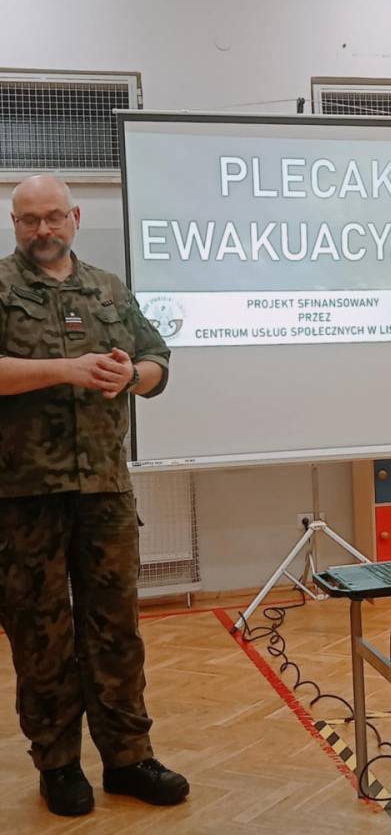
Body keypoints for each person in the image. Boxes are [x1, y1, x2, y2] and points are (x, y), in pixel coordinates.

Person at [0, 175, 189, 817]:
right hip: (23, 496)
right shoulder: (2, 286)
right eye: (30, 220)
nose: (43, 230)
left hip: (104, 489)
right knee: (40, 634)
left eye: (53, 217)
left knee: (116, 630)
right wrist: (68, 369)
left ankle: (128, 758)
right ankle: (58, 765)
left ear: (75, 217)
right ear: (15, 224)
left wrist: (131, 374)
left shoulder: (108, 289)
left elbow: (158, 362)